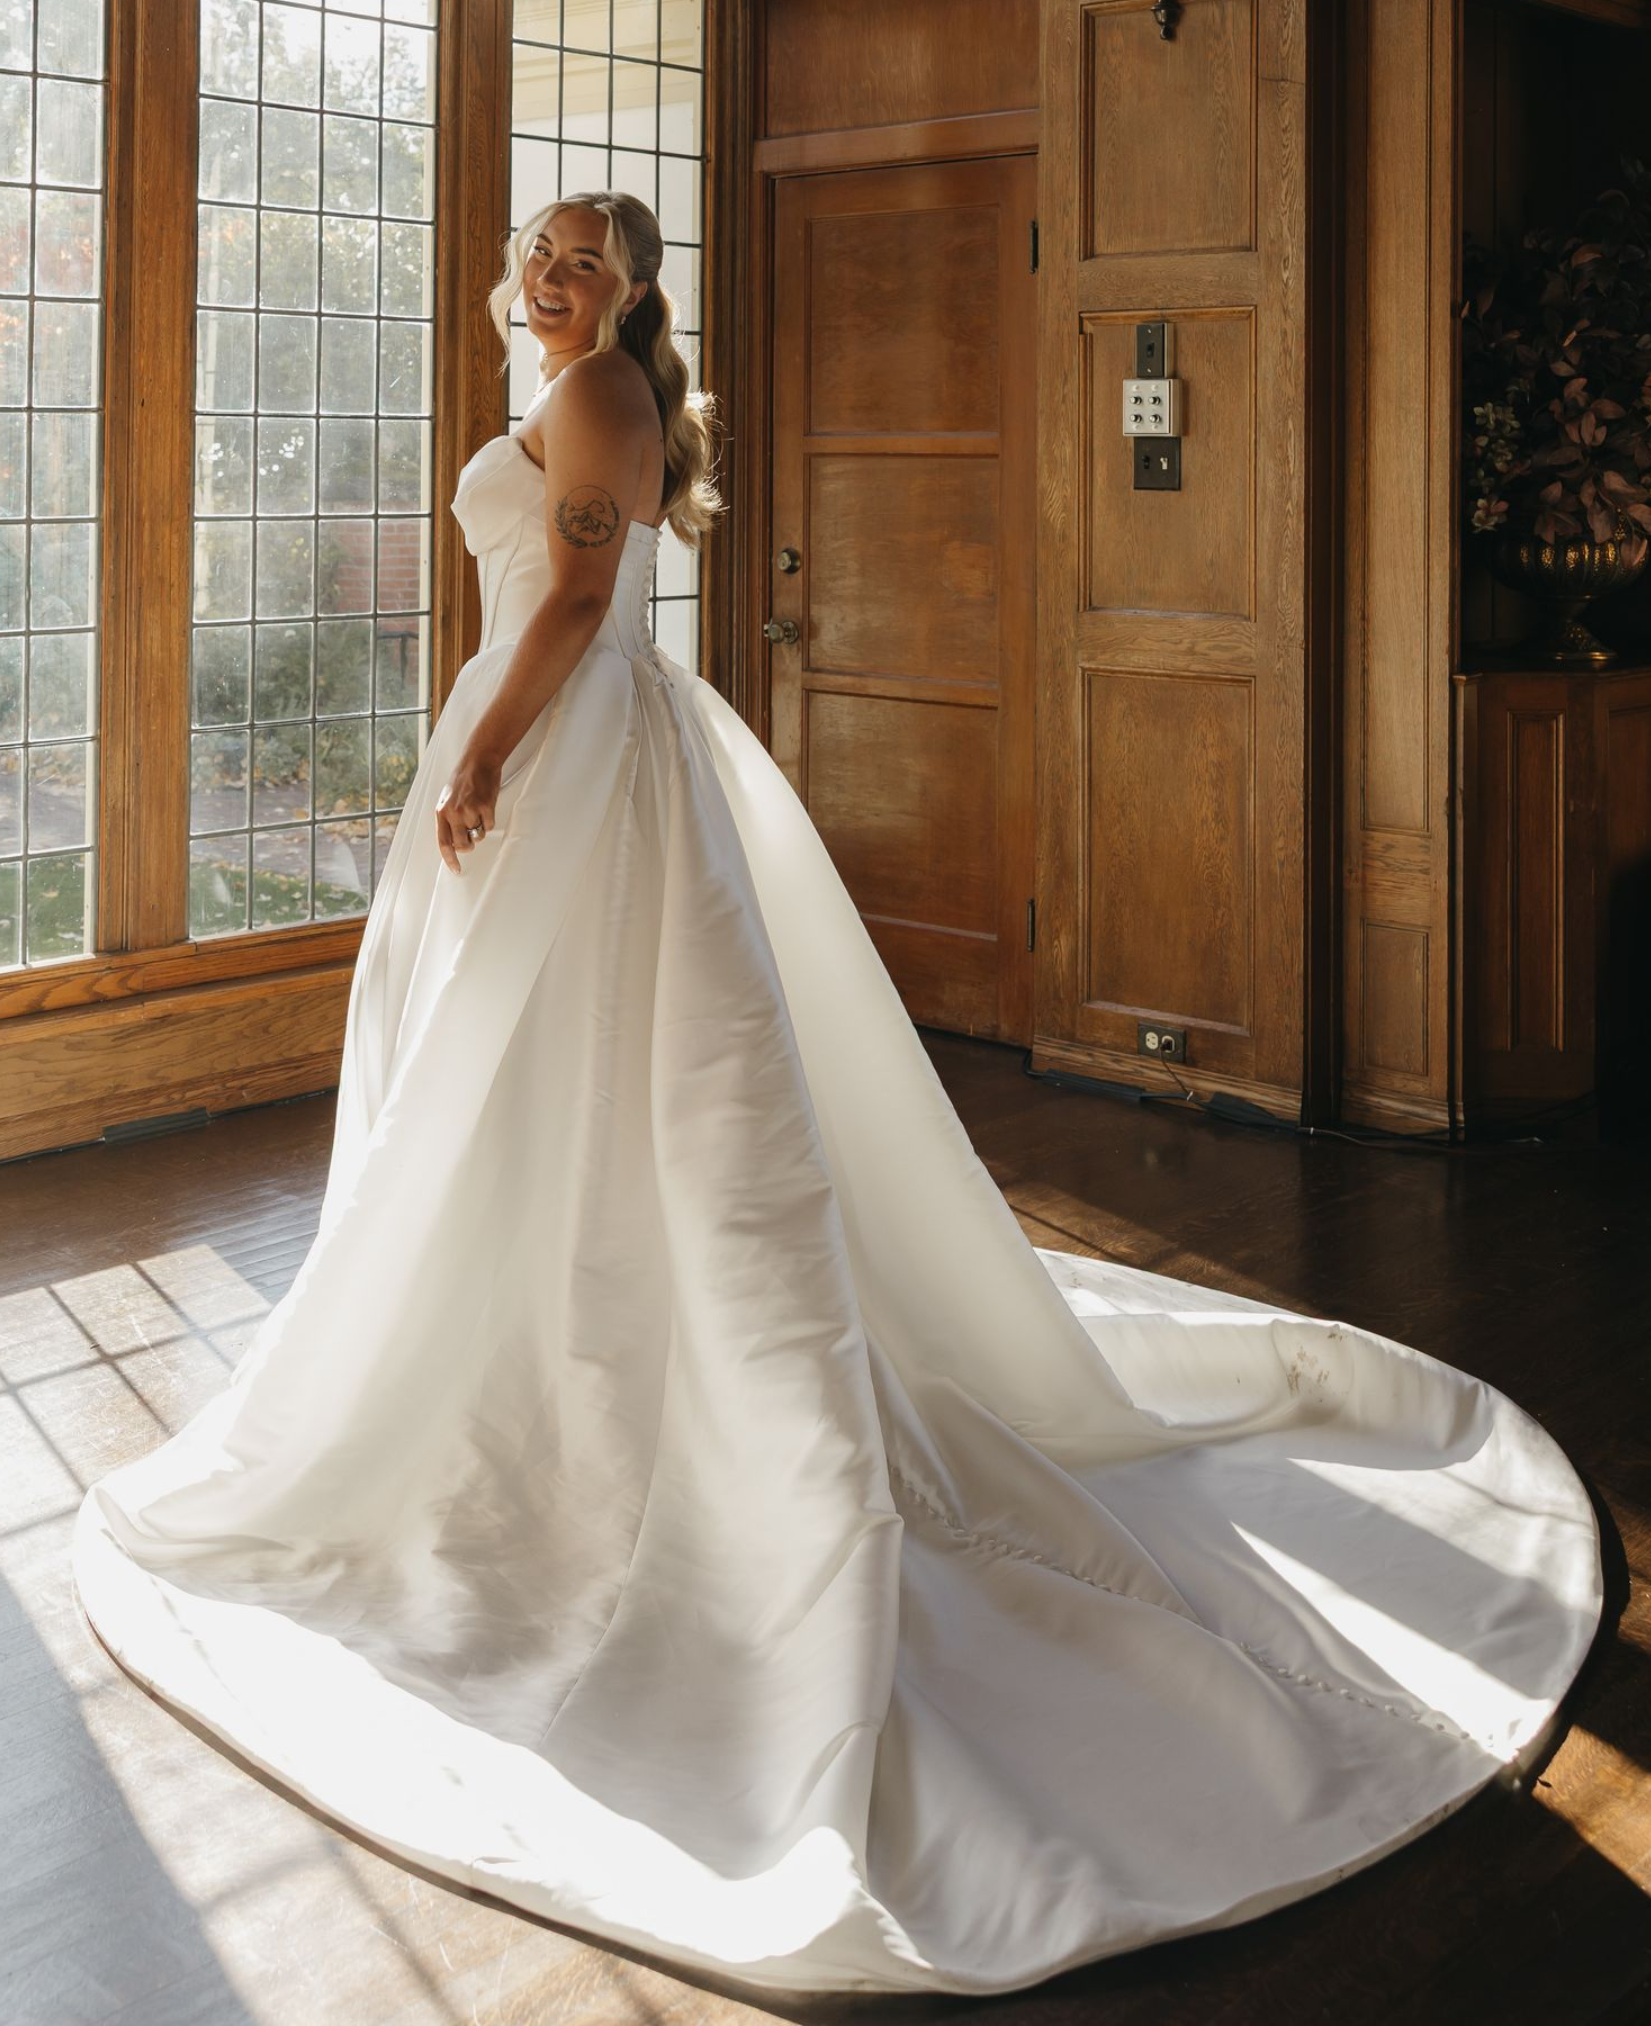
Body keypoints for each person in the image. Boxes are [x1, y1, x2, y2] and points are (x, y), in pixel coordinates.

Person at [73, 191, 1604, 2000]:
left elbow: (571, 591)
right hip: (527, 735)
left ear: (637, 284)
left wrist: (479, 746)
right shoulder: (555, 381)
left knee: (631, 1075)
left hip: (568, 759)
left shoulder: (603, 404)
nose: (551, 268)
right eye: (538, 245)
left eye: (585, 252)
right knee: (498, 1085)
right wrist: (470, 717)